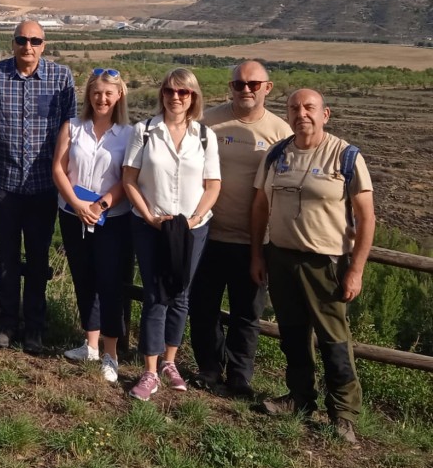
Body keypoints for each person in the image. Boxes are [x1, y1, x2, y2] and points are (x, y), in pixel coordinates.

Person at [250, 88, 374, 444]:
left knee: (334, 340)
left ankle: (343, 413)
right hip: (282, 256)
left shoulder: (345, 156)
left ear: (325, 114)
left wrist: (357, 270)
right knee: (292, 334)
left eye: (309, 107)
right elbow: (260, 207)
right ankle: (299, 397)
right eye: (294, 108)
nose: (301, 113)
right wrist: (258, 254)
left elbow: (366, 219)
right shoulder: (277, 155)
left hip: (327, 262)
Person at [0, 20, 75, 354]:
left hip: (43, 185)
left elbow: (69, 128)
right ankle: (6, 323)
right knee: (5, 257)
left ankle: (34, 328)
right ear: (13, 42)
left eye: (34, 40)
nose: (27, 46)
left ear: (44, 45)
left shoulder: (61, 78)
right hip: (3, 182)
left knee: (37, 259)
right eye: (22, 39)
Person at [191, 61, 289, 395]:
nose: (246, 90)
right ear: (229, 86)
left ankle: (239, 376)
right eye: (239, 84)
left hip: (254, 242)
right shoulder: (208, 121)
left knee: (247, 314)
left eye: (253, 84)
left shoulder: (281, 132)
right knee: (203, 307)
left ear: (268, 87)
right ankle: (208, 368)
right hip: (207, 234)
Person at [122, 68, 221, 401]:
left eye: (184, 92)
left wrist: (193, 220)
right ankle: (149, 371)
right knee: (155, 295)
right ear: (161, 93)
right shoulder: (145, 131)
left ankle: (170, 362)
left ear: (194, 97)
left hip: (191, 228)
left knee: (180, 294)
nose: (175, 97)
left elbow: (213, 184)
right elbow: (129, 180)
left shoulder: (205, 137)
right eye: (169, 91)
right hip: (151, 227)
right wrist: (150, 217)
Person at [53, 68, 134, 382]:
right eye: (97, 92)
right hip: (73, 216)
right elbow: (59, 169)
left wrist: (99, 205)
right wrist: (77, 204)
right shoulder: (73, 127)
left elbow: (129, 178)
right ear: (88, 95)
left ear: (119, 97)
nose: (102, 99)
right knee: (83, 278)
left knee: (111, 285)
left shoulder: (129, 134)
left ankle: (111, 354)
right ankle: (90, 345)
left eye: (108, 93)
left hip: (112, 219)